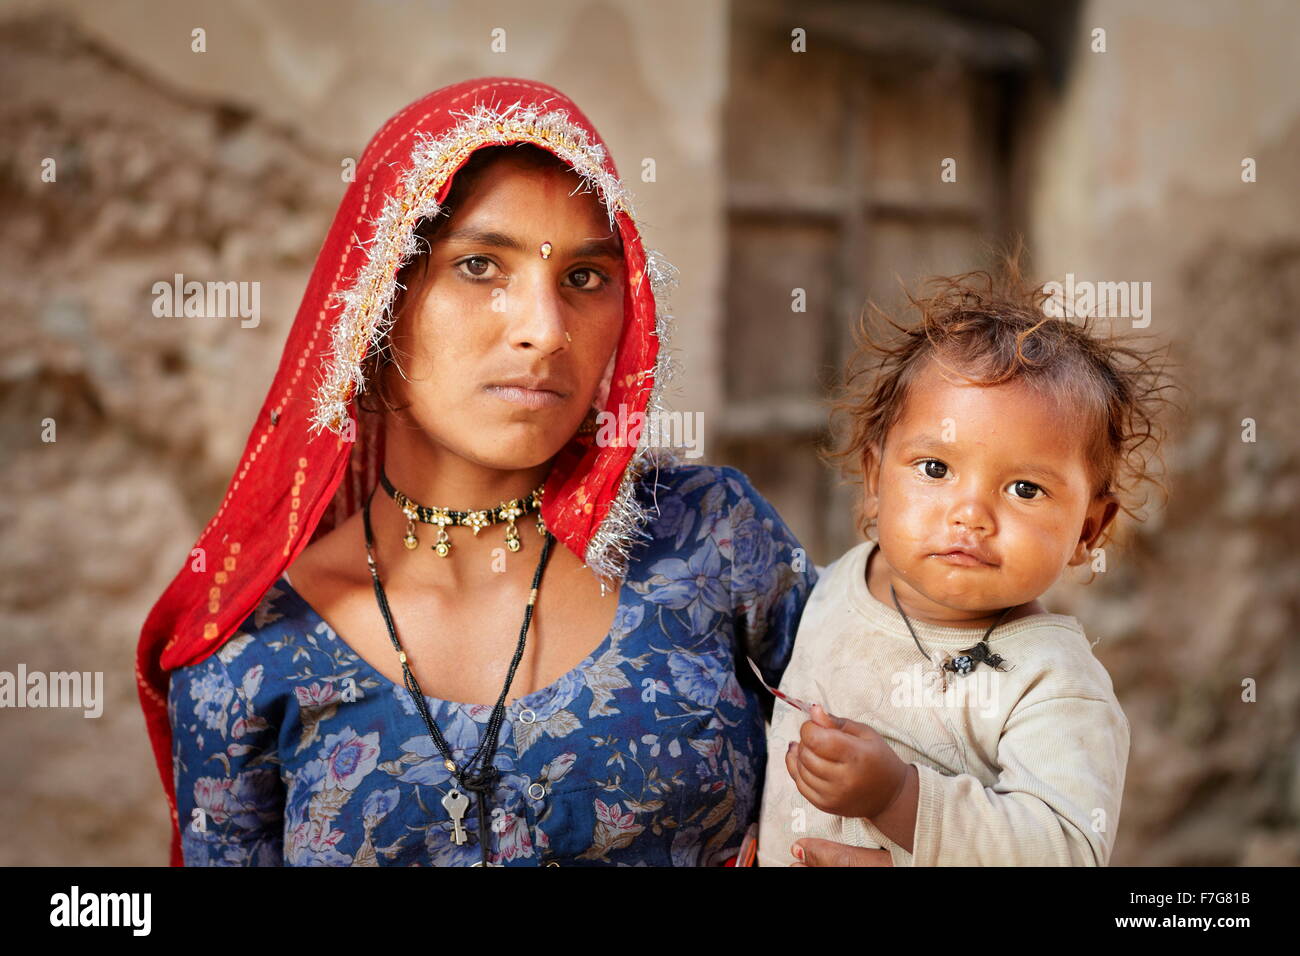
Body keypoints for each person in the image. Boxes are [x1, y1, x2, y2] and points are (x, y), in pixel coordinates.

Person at [138, 77, 817, 866]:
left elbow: (931, 738)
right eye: (480, 267)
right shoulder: (251, 654)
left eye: (585, 278)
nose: (544, 329)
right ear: (376, 303)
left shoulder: (710, 540)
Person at [757, 260, 1177, 866]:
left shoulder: (1051, 684)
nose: (971, 514)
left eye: (1026, 489)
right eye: (935, 469)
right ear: (876, 482)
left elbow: (1063, 849)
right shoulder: (847, 578)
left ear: (1089, 529)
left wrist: (898, 796)